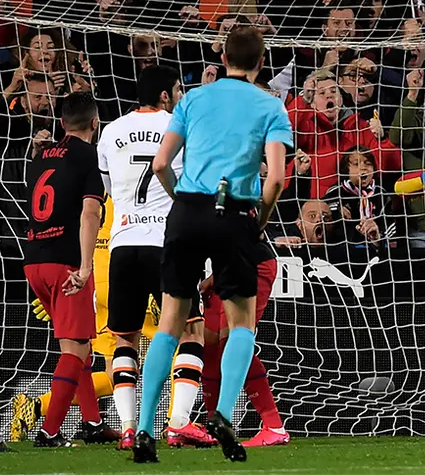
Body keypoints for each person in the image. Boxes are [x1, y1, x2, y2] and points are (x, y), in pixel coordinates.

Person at [133, 26, 293, 463]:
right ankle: (222, 413)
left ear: (222, 57)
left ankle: (145, 429)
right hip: (235, 211)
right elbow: (276, 178)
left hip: (186, 211)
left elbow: (162, 162)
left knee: (171, 322)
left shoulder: (193, 99)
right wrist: (259, 217)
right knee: (242, 322)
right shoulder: (270, 106)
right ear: (262, 61)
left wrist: (180, 196)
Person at [96, 66, 215, 450]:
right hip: (167, 242)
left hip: (123, 243)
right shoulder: (181, 125)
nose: (181, 95)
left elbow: (109, 191)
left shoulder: (110, 131)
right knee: (191, 331)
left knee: (124, 339)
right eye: (179, 89)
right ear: (166, 95)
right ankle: (178, 421)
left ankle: (129, 427)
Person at [22, 91, 116, 447]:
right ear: (96, 123)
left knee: (79, 349)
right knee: (74, 352)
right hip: (65, 264)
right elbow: (90, 212)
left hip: (34, 260)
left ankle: (92, 423)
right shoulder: (88, 155)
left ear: (61, 123)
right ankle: (49, 432)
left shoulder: (39, 155)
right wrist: (85, 265)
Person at [201, 242, 288, 447]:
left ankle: (274, 426)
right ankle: (213, 427)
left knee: (232, 343)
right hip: (226, 268)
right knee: (210, 346)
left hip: (251, 264)